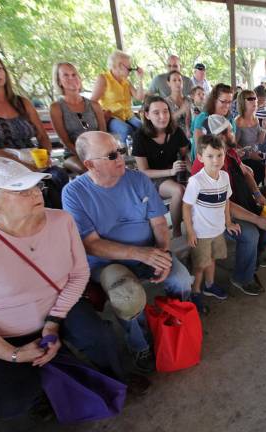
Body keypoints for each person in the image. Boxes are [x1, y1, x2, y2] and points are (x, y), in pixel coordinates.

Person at [0, 157, 143, 419]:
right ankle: (44, 391)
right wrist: (13, 354)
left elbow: (78, 274)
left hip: (60, 306)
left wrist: (53, 322)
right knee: (8, 406)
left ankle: (116, 379)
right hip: (4, 330)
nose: (35, 193)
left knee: (100, 338)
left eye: (34, 186)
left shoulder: (60, 221)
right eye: (21, 190)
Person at [62, 131, 193, 373]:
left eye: (121, 151)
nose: (122, 157)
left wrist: (162, 253)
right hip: (107, 262)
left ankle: (176, 319)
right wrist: (141, 254)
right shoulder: (74, 193)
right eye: (112, 155)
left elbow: (159, 223)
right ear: (90, 164)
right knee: (127, 295)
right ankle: (139, 343)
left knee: (182, 279)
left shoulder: (138, 179)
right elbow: (91, 244)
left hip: (149, 250)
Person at [0, 46, 69, 208]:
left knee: (58, 176)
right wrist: (21, 164)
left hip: (28, 156)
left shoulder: (21, 102)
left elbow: (42, 136)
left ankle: (63, 221)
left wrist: (44, 157)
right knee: (24, 186)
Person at [191, 115, 266, 295]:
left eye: (230, 130)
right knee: (249, 233)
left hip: (239, 201)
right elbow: (226, 204)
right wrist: (256, 219)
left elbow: (246, 172)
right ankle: (242, 278)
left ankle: (254, 255)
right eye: (229, 132)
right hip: (215, 214)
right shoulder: (210, 164)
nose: (233, 133)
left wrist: (257, 193)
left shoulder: (229, 151)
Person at [183, 135, 240, 311]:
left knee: (212, 259)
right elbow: (186, 207)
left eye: (219, 155)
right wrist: (190, 231)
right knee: (200, 265)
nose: (215, 160)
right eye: (210, 156)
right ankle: (195, 292)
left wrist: (228, 222)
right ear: (200, 157)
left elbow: (226, 201)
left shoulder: (224, 176)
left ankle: (209, 285)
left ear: (224, 155)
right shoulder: (196, 181)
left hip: (217, 230)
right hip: (201, 233)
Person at [132, 96, 190, 237]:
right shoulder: (140, 136)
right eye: (156, 113)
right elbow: (144, 172)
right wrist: (170, 171)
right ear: (147, 115)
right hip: (152, 178)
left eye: (165, 111)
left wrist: (196, 173)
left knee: (199, 185)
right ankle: (177, 232)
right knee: (178, 191)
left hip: (175, 172)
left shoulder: (176, 131)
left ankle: (198, 225)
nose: (163, 116)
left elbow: (185, 155)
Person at [50, 62, 107, 174]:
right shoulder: (56, 108)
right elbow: (65, 141)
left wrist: (98, 153)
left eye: (74, 74)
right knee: (89, 169)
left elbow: (103, 132)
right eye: (66, 75)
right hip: (73, 153)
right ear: (59, 81)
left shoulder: (94, 105)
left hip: (98, 151)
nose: (71, 78)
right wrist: (87, 155)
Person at [90, 50, 145, 143]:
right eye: (129, 67)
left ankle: (143, 153)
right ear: (119, 65)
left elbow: (139, 97)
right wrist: (101, 115)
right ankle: (127, 154)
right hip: (112, 116)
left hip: (128, 115)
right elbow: (92, 102)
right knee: (126, 130)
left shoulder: (126, 81)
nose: (131, 69)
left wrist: (140, 79)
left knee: (144, 128)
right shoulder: (103, 78)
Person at [192, 83, 235, 160]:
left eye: (229, 102)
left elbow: (232, 144)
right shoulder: (202, 118)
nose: (227, 105)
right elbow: (199, 149)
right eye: (223, 101)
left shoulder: (230, 119)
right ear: (214, 100)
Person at [235, 89, 266, 186]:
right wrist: (249, 154)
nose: (254, 101)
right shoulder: (238, 121)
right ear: (242, 102)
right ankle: (254, 193)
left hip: (255, 153)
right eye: (250, 99)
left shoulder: (255, 119)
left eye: (255, 98)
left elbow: (259, 141)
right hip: (243, 158)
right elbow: (234, 145)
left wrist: (264, 128)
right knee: (261, 169)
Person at [164, 70, 193, 138]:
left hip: (191, 138)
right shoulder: (165, 102)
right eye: (174, 80)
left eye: (180, 80)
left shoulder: (189, 100)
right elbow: (164, 121)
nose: (178, 82)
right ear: (168, 83)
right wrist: (180, 111)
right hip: (173, 139)